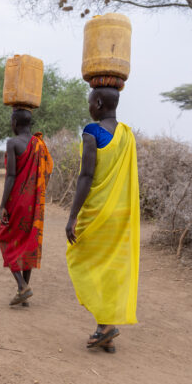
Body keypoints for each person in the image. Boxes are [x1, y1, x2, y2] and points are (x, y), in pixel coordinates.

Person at [65, 86, 140, 354]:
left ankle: (105, 327)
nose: (88, 107)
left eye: (89, 102)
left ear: (97, 102)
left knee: (82, 258)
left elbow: (86, 176)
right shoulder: (127, 135)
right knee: (110, 270)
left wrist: (73, 216)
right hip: (120, 215)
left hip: (97, 213)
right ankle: (106, 327)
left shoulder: (92, 131)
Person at [0, 108, 53, 306]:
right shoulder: (39, 144)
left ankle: (22, 286)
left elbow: (11, 175)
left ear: (14, 122)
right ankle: (24, 294)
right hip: (34, 202)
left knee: (7, 238)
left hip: (17, 201)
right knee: (28, 242)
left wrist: (3, 203)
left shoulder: (12, 143)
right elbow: (48, 171)